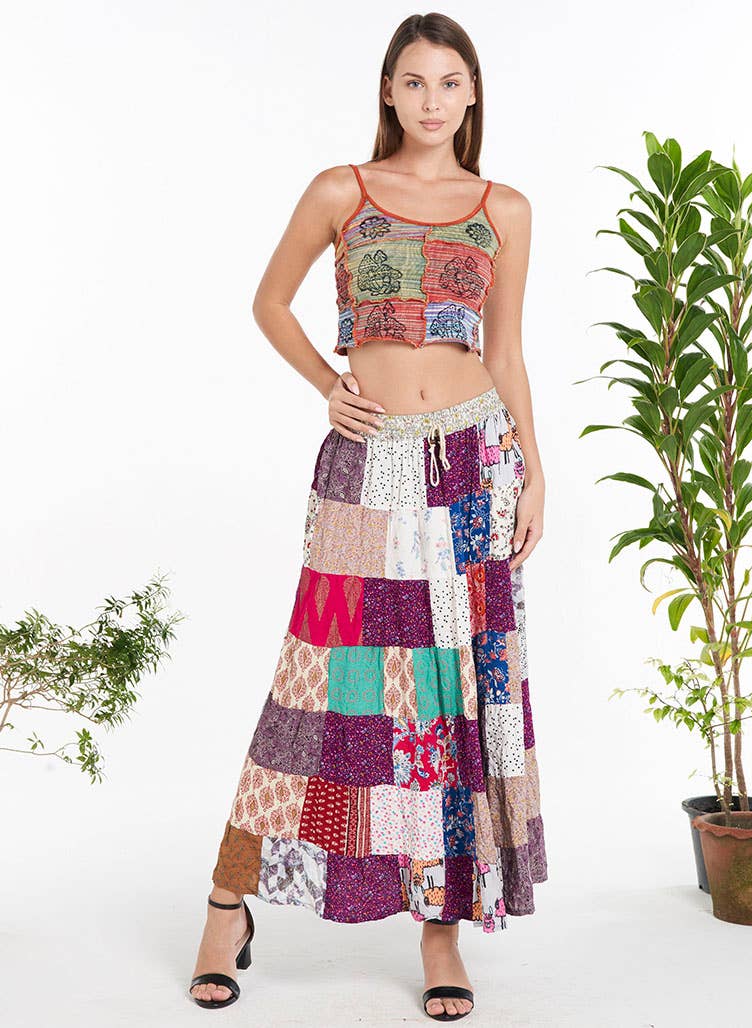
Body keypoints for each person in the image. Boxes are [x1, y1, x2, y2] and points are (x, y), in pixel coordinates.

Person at [188, 11, 547, 1022]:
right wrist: (326, 385)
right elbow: (269, 301)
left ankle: (440, 924)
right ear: (388, 90)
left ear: (471, 94)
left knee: (451, 698)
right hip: (366, 460)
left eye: (449, 82)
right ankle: (227, 900)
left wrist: (535, 472)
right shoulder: (340, 191)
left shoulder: (504, 209)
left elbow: (506, 351)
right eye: (413, 81)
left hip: (473, 463)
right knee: (316, 684)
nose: (432, 100)